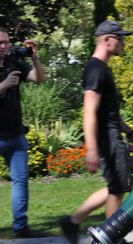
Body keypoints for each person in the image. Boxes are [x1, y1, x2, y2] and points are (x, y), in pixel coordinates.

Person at [59, 20, 133, 244]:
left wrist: (130, 132)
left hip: (112, 135)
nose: (123, 42)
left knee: (115, 187)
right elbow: (89, 111)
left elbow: (110, 113)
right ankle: (111, 236)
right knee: (117, 189)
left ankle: (73, 221)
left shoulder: (102, 69)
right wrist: (92, 149)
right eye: (120, 38)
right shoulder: (96, 70)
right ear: (107, 40)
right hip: (106, 139)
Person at [0, 27, 45, 237]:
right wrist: (3, 85)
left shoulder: (12, 62)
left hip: (15, 134)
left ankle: (21, 227)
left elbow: (39, 78)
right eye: (0, 43)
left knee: (21, 180)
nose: (4, 46)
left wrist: (35, 58)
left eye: (6, 42)